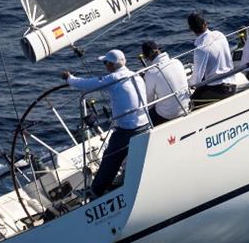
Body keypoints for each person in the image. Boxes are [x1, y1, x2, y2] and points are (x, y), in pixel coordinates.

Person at [62, 49, 148, 198]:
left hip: (128, 130)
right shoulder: (136, 75)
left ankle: (96, 192)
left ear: (111, 64)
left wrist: (69, 78)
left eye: (105, 62)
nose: (104, 66)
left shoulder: (113, 78)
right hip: (146, 124)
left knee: (110, 157)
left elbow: (87, 84)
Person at [186, 12, 236, 107]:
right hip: (232, 85)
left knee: (188, 104)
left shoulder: (200, 49)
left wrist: (186, 84)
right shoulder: (220, 35)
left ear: (190, 29)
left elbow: (196, 81)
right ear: (205, 23)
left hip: (220, 91)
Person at [141, 40, 191, 126]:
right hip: (186, 108)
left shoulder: (151, 73)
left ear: (149, 54)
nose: (146, 59)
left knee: (145, 115)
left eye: (145, 56)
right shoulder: (177, 62)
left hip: (167, 116)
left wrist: (145, 79)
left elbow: (149, 103)